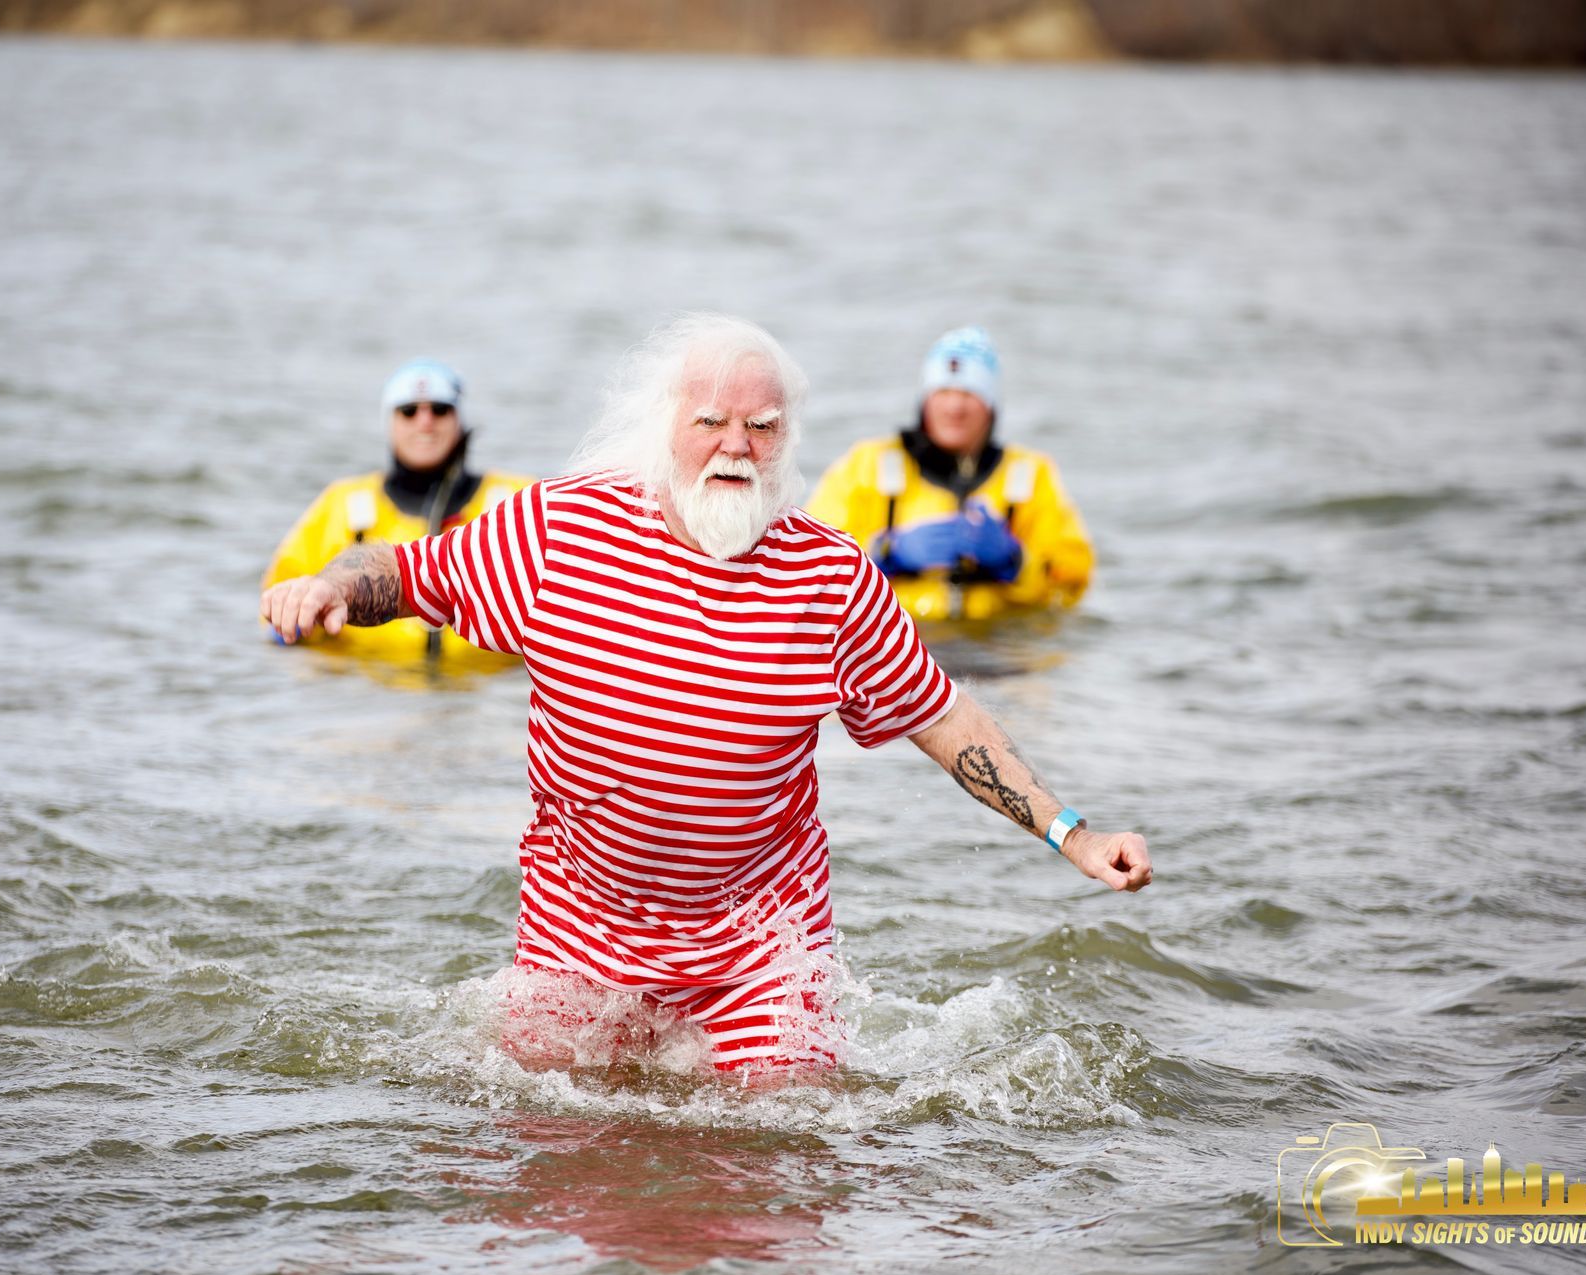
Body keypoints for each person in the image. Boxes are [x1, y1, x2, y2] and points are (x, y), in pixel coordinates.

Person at [261, 315, 1150, 1077]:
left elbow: (943, 715)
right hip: (580, 928)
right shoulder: (559, 533)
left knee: (785, 1143)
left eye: (761, 427)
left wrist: (1073, 834)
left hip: (762, 942)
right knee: (548, 1143)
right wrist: (332, 586)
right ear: (667, 427)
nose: (736, 446)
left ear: (786, 440)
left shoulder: (829, 578)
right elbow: (402, 570)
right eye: (712, 422)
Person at [807, 327, 1093, 622]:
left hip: (995, 642)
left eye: (970, 393)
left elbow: (1073, 583)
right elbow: (811, 565)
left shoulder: (1032, 475)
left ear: (991, 405)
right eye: (943, 391)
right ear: (925, 400)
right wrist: (883, 554)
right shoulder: (865, 465)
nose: (955, 407)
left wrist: (1015, 561)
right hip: (894, 640)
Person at [261, 358, 533, 665]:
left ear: (459, 417)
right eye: (409, 411)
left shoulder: (517, 500)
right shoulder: (341, 503)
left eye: (440, 409)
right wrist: (295, 613)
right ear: (389, 421)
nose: (425, 421)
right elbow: (279, 607)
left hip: (489, 683)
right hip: (366, 679)